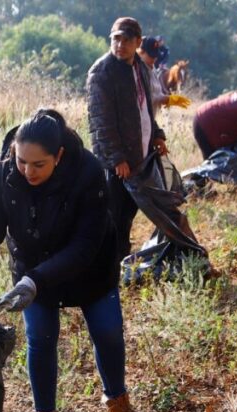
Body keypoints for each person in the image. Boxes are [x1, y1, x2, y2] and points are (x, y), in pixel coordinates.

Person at [0, 109, 153, 412]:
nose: (28, 171)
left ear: (59, 156)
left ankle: (118, 403)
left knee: (108, 331)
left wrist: (34, 280)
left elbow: (86, 244)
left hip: (89, 268)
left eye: (39, 164)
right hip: (33, 266)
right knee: (40, 338)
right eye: (21, 161)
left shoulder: (89, 172)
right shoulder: (3, 170)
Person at [86, 16, 169, 260]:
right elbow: (101, 121)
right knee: (115, 219)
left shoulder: (140, 68)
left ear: (138, 42)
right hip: (117, 165)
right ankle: (110, 270)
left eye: (126, 40)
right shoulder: (101, 73)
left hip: (141, 157)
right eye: (116, 39)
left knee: (131, 214)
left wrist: (157, 135)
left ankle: (121, 263)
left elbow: (145, 111)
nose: (120, 44)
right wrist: (116, 158)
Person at [137, 36, 190, 110]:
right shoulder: (134, 71)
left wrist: (169, 99)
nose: (154, 59)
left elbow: (154, 96)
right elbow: (142, 98)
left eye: (156, 56)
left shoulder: (150, 71)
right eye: (151, 56)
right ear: (141, 52)